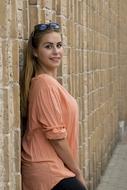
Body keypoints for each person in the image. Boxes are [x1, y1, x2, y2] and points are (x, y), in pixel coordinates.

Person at [20, 22, 87, 190]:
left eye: (59, 45)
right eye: (48, 46)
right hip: (48, 170)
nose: (56, 51)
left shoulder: (50, 83)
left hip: (56, 167)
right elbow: (56, 136)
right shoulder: (44, 84)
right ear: (35, 52)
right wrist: (77, 172)